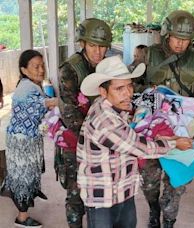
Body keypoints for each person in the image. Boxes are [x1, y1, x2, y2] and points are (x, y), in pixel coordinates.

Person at [77, 55, 193, 228]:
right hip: (102, 197)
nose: (128, 93)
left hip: (122, 189)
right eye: (119, 88)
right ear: (103, 91)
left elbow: (134, 136)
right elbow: (140, 147)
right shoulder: (105, 121)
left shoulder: (113, 107)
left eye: (130, 86)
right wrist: (175, 143)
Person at [143, 10, 194, 228]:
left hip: (181, 130)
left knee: (176, 182)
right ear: (167, 34)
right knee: (149, 181)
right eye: (177, 38)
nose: (180, 44)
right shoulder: (149, 55)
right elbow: (132, 88)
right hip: (154, 130)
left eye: (186, 40)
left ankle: (169, 221)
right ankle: (153, 211)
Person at [57, 18, 112, 228]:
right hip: (77, 141)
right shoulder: (70, 70)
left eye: (102, 46)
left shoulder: (107, 66)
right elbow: (69, 114)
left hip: (102, 140)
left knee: (99, 194)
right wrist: (98, 136)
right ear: (83, 44)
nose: (98, 51)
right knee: (75, 195)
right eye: (92, 45)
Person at [1, 50, 58, 227]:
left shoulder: (31, 85)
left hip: (25, 140)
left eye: (42, 66)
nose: (41, 70)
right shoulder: (27, 87)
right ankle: (22, 218)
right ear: (24, 70)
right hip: (22, 142)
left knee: (26, 175)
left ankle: (25, 196)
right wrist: (62, 101)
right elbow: (41, 104)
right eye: (36, 67)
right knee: (23, 179)